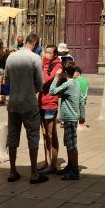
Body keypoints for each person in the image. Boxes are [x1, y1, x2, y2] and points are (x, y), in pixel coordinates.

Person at [4, 33, 46, 184]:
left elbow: (7, 79)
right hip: (28, 103)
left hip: (13, 102)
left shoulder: (11, 57)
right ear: (34, 43)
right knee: (33, 137)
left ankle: (12, 170)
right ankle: (34, 173)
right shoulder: (35, 58)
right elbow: (41, 84)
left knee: (13, 137)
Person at [49, 64, 86, 180]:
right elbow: (81, 100)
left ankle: (74, 171)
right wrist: (82, 116)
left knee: (71, 145)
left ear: (65, 73)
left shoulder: (68, 83)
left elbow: (52, 91)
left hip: (70, 118)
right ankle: (70, 166)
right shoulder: (76, 83)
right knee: (69, 143)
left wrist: (56, 76)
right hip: (72, 117)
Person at [39, 45, 62, 173]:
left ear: (54, 55)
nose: (46, 55)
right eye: (45, 52)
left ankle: (53, 165)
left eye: (49, 53)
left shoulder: (57, 66)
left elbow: (46, 79)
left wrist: (44, 64)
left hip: (50, 103)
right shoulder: (45, 64)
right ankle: (47, 162)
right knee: (44, 134)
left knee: (51, 134)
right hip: (41, 102)